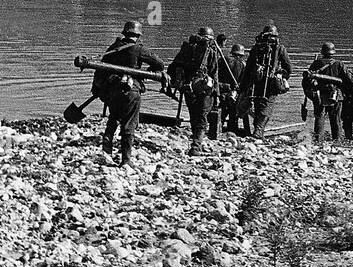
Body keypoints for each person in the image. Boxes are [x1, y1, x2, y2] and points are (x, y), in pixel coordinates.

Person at [82, 21, 167, 167]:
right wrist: (146, 72)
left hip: (113, 90)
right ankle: (126, 160)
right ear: (138, 35)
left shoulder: (114, 48)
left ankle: (107, 148)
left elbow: (101, 69)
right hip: (131, 91)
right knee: (129, 123)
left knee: (114, 117)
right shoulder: (138, 49)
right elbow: (159, 64)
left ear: (125, 33)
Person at [169, 27, 221, 156]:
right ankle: (196, 146)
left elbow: (173, 67)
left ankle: (195, 142)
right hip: (204, 88)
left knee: (194, 115)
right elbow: (214, 73)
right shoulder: (211, 51)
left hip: (187, 86)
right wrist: (217, 93)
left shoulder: (187, 48)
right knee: (202, 116)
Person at [239, 24, 292, 140]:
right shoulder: (280, 48)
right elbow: (288, 69)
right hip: (271, 83)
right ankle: (258, 131)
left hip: (256, 82)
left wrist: (242, 87)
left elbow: (248, 69)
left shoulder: (256, 48)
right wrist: (281, 75)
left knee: (258, 105)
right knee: (267, 106)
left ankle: (257, 131)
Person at [303, 42, 346, 144]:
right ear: (333, 52)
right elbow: (347, 79)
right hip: (335, 95)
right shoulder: (339, 64)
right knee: (336, 119)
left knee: (319, 118)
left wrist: (310, 94)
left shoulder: (316, 63)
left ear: (322, 52)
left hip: (320, 95)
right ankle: (337, 140)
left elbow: (306, 81)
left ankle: (318, 140)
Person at [219, 43, 248, 135]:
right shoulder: (243, 64)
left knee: (222, 110)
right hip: (234, 92)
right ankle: (232, 130)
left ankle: (218, 128)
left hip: (222, 89)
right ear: (241, 54)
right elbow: (244, 80)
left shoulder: (223, 60)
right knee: (233, 111)